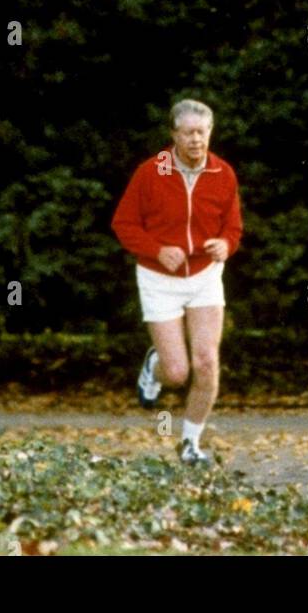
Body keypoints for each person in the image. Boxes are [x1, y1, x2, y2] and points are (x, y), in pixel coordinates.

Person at [111, 98, 243, 464]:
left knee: (206, 363)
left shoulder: (224, 174)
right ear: (174, 135)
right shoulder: (151, 173)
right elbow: (123, 225)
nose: (196, 140)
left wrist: (226, 245)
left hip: (204, 277)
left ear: (210, 133)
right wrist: (156, 250)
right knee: (177, 372)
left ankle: (190, 444)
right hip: (159, 279)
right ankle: (154, 366)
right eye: (188, 133)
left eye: (202, 132)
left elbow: (233, 227)